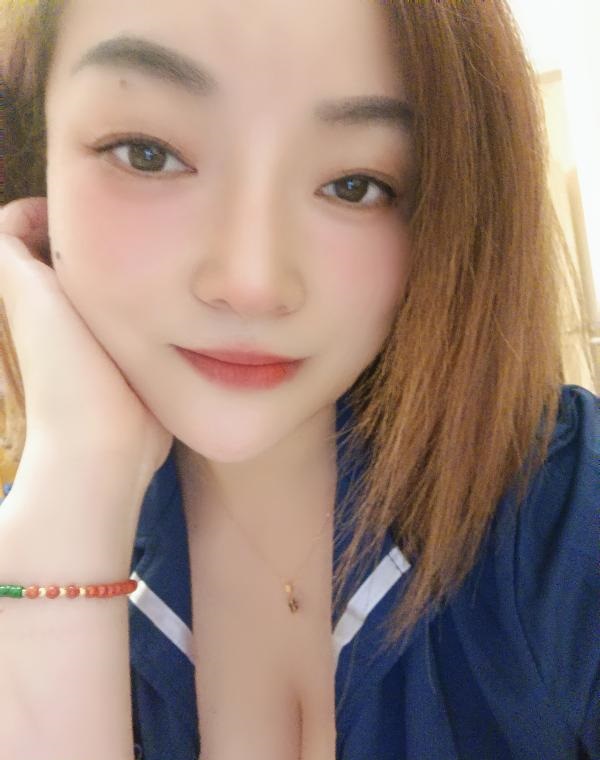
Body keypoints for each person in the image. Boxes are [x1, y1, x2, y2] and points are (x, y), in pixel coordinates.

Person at [0, 0, 598, 758]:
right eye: (146, 153)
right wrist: (78, 482)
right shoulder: (33, 552)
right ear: (36, 158)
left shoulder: (562, 511)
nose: (253, 283)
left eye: (355, 185)